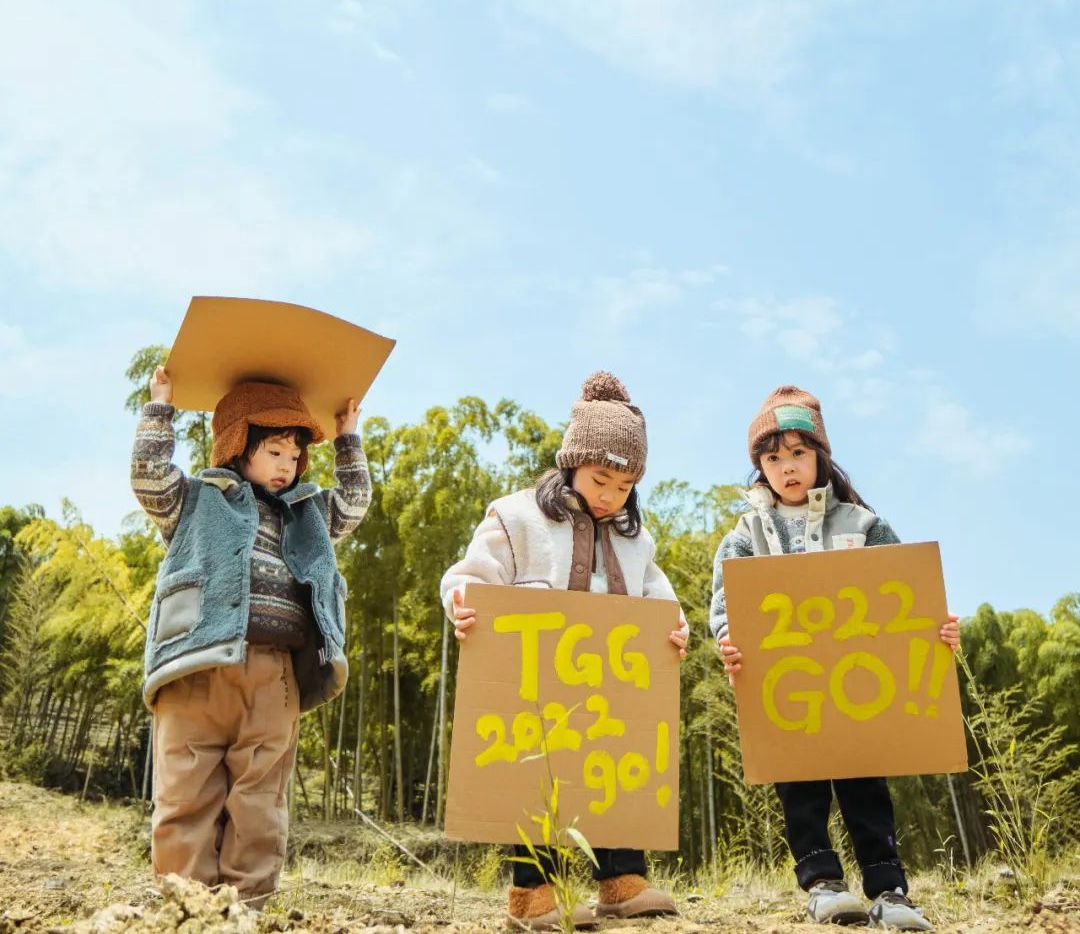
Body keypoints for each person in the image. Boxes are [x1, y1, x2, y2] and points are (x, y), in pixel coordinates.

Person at [441, 372, 689, 931]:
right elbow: (468, 576)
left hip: (610, 690)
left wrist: (676, 629)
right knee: (532, 783)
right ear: (572, 462)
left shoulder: (635, 539)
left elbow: (660, 599)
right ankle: (534, 894)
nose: (610, 496)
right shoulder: (517, 518)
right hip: (532, 686)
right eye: (601, 479)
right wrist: (462, 603)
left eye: (624, 487)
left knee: (611, 775)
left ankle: (622, 881)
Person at [710, 385, 960, 932]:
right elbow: (725, 605)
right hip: (787, 687)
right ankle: (822, 883)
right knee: (798, 783)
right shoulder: (746, 534)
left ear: (821, 456)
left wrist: (933, 629)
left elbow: (908, 595)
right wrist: (729, 639)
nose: (787, 467)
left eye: (798, 453)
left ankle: (889, 889)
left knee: (865, 782)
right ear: (761, 468)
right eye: (772, 458)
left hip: (859, 688)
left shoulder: (863, 525)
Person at [132, 367, 371, 905]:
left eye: (294, 456)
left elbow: (354, 502)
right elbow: (149, 474)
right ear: (238, 444)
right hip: (194, 666)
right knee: (185, 798)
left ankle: (247, 909)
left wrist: (348, 437)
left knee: (260, 802)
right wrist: (160, 407)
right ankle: (186, 908)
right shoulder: (196, 499)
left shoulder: (307, 513)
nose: (287, 466)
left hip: (273, 677)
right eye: (275, 452)